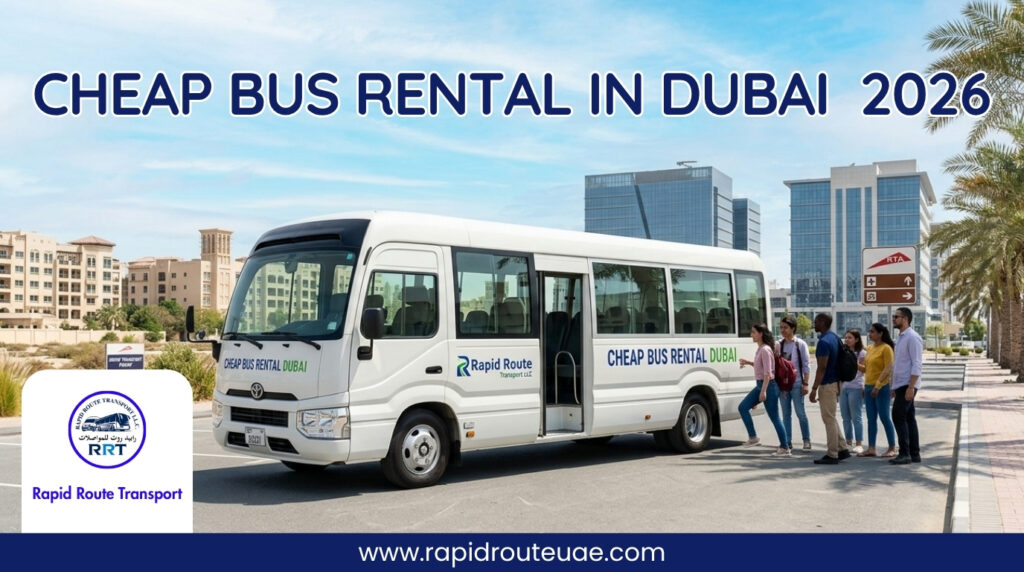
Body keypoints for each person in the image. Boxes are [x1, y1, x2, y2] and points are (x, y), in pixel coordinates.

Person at [737, 323, 790, 456]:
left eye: (754, 332)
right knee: (743, 407)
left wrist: (763, 391)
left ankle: (784, 447)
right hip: (762, 385)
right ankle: (753, 437)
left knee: (775, 418)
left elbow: (768, 372)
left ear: (761, 334)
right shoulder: (761, 349)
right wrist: (749, 363)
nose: (751, 335)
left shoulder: (765, 350)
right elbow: (761, 367)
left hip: (768, 386)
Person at [809, 313, 850, 465]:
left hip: (827, 384)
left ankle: (832, 454)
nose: (814, 324)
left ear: (823, 322)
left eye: (816, 321)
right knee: (831, 417)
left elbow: (822, 367)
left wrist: (814, 389)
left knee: (828, 419)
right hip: (837, 382)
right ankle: (842, 448)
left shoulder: (824, 342)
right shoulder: (834, 337)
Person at [858, 322, 897, 458]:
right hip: (868, 386)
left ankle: (892, 447)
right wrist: (854, 363)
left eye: (872, 331)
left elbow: (888, 368)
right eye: (869, 331)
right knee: (871, 418)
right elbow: (866, 369)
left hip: (881, 388)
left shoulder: (886, 348)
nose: (870, 334)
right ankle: (871, 448)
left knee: (885, 417)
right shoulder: (870, 348)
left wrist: (878, 385)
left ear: (880, 333)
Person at [890, 307, 923, 465]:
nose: (893, 319)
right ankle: (914, 453)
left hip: (908, 384)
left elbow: (917, 364)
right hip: (901, 384)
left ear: (905, 319)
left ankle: (905, 453)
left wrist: (911, 387)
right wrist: (893, 387)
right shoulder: (901, 338)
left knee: (898, 416)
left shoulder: (912, 337)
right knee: (909, 418)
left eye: (896, 317)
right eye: (893, 316)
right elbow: (898, 364)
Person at [777, 316, 812, 452]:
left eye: (785, 327)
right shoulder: (779, 344)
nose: (783, 330)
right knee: (786, 415)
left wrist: (806, 384)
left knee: (800, 413)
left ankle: (806, 439)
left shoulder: (800, 344)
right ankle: (787, 441)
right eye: (781, 327)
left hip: (797, 384)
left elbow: (806, 365)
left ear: (793, 328)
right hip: (783, 386)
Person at [840, 329, 867, 454]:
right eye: (846, 337)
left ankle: (859, 443)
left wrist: (852, 360)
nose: (847, 339)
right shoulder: (843, 352)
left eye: (850, 337)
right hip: (844, 387)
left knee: (856, 416)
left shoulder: (862, 353)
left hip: (856, 387)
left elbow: (864, 369)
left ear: (857, 339)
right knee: (845, 417)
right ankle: (848, 442)